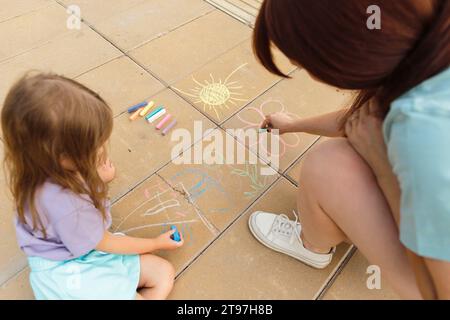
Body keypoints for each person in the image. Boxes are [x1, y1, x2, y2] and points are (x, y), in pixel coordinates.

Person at [248, 0, 449, 299]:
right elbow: (364, 120)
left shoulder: (422, 127)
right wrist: (294, 125)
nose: (305, 70)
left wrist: (384, 172)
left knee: (327, 165)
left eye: (305, 63)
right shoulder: (430, 43)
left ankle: (311, 246)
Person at [1, 73, 183, 300]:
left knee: (163, 272)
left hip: (75, 249)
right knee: (161, 273)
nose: (101, 148)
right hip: (69, 273)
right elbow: (105, 242)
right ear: (62, 156)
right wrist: (155, 243)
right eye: (94, 145)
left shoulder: (34, 165)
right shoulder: (68, 206)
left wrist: (96, 179)